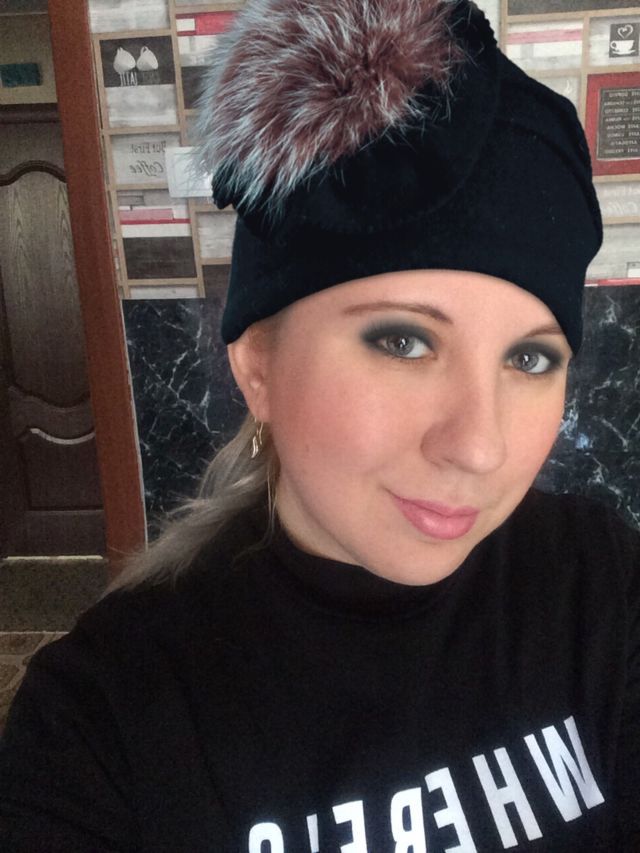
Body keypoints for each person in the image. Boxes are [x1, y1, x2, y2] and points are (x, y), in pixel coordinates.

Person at [1, 0, 638, 850]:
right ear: (257, 364)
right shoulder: (102, 720)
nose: (479, 446)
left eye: (529, 358)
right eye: (403, 340)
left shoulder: (599, 584)